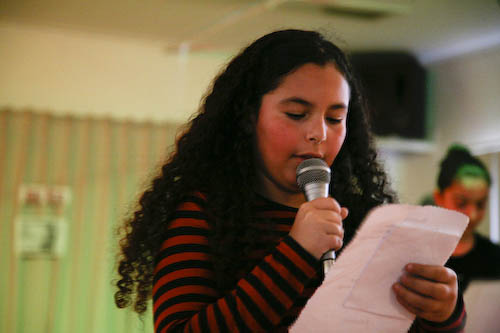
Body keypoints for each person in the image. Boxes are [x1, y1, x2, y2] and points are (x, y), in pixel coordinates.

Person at [114, 29, 465, 332]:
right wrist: (296, 251)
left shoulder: (366, 222)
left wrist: (444, 313)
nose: (318, 133)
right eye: (297, 114)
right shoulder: (205, 214)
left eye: (335, 118)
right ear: (250, 116)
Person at [433, 144, 500, 293]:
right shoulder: (422, 256)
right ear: (439, 198)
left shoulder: (494, 257)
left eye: (480, 204)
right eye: (461, 203)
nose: (472, 214)